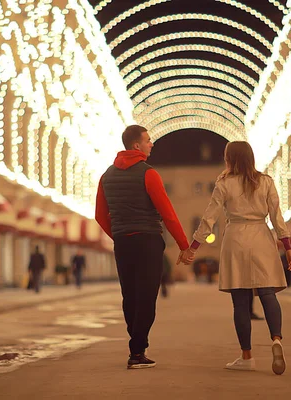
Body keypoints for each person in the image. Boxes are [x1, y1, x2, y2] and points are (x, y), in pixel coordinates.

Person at [180, 141, 291, 375]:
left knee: (240, 301)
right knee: (267, 292)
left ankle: (247, 356)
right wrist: (288, 246)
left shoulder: (224, 184)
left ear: (230, 159)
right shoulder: (266, 181)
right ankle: (276, 339)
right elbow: (276, 216)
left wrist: (193, 247)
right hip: (261, 236)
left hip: (235, 239)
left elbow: (209, 218)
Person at [95, 125, 189, 370]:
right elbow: (167, 213)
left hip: (123, 242)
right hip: (147, 240)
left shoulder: (106, 176)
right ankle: (137, 351)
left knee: (130, 295)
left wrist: (117, 234)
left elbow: (99, 215)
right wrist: (184, 245)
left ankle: (136, 346)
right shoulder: (149, 174)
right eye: (148, 140)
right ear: (136, 145)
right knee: (147, 296)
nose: (152, 144)